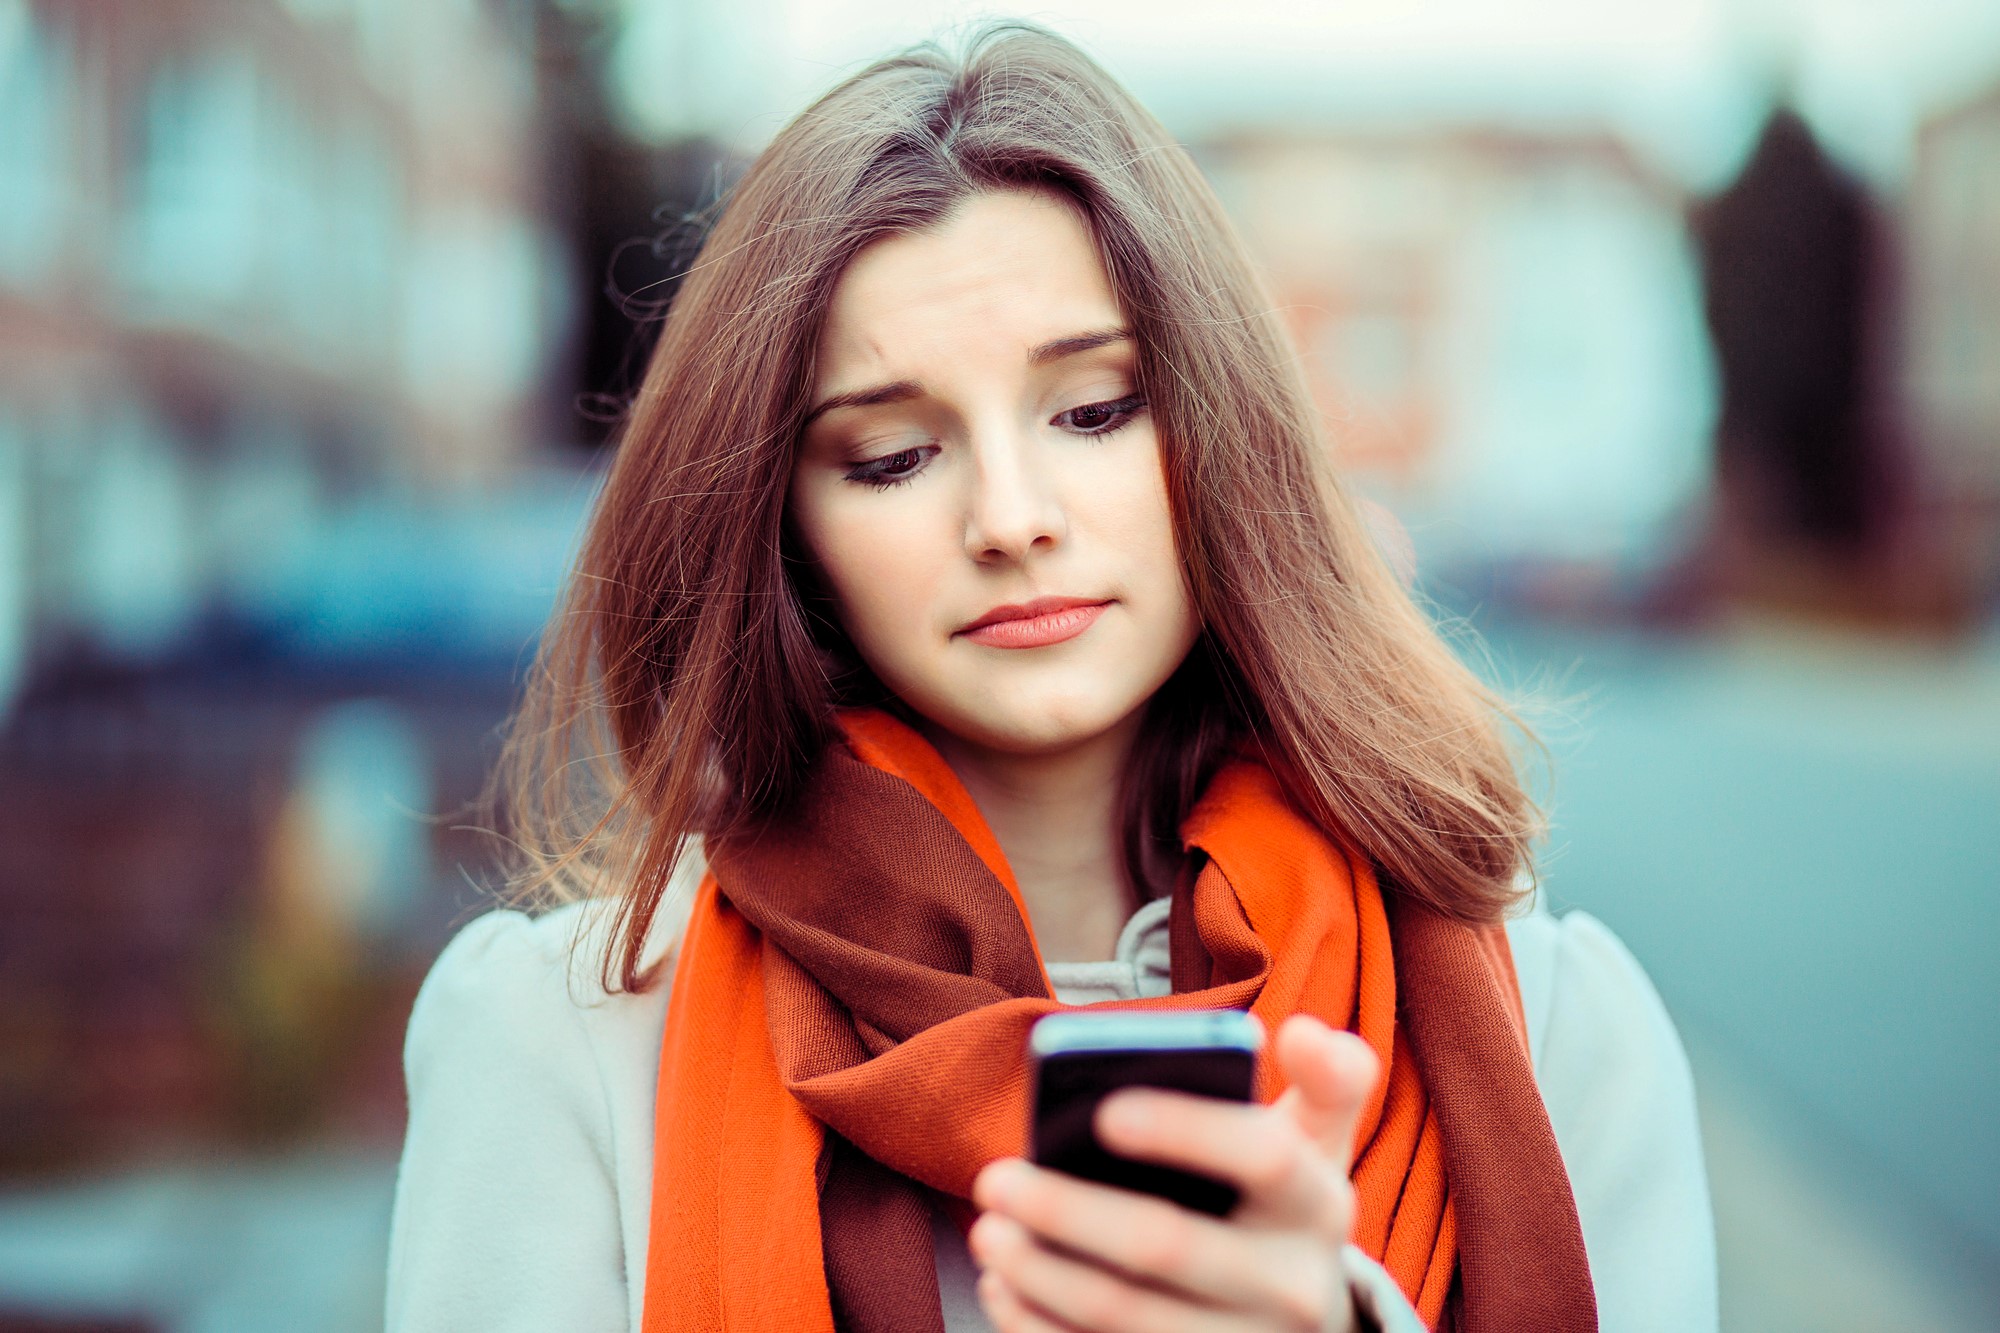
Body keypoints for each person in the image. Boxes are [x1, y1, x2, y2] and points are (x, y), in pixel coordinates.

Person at [386, 23, 1715, 1333]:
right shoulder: (561, 1042)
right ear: (786, 527)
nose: (1011, 517)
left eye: (1093, 410)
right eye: (893, 454)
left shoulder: (1558, 1031)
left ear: (1223, 427)